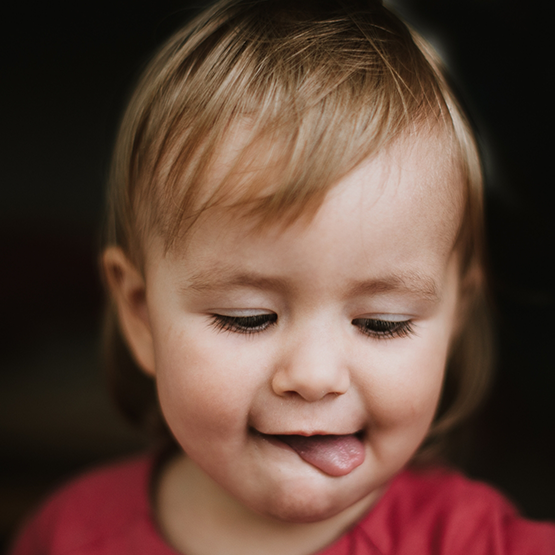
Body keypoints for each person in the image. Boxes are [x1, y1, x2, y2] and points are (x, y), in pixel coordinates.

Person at [9, 0, 555, 553]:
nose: (314, 376)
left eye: (381, 324)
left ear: (455, 317)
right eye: (247, 318)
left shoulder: (475, 543)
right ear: (141, 313)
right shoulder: (67, 533)